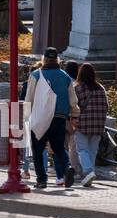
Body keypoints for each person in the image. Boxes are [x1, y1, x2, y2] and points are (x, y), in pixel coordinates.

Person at [25, 47, 79, 189]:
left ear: (44, 59)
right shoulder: (66, 77)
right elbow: (72, 99)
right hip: (60, 117)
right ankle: (67, 168)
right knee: (58, 147)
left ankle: (42, 180)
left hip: (40, 117)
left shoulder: (36, 75)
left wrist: (25, 116)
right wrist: (74, 115)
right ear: (57, 59)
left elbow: (29, 98)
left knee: (38, 149)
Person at [74, 62, 109, 186]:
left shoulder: (77, 88)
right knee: (93, 150)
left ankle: (88, 172)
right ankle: (90, 173)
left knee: (82, 150)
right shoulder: (101, 88)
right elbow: (106, 106)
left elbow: (74, 106)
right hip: (98, 124)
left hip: (83, 124)